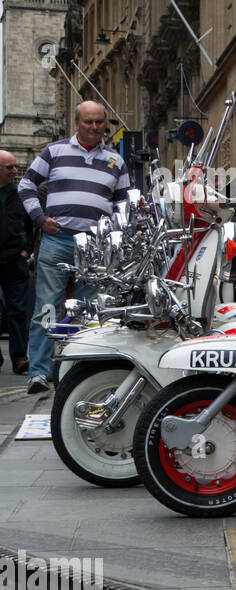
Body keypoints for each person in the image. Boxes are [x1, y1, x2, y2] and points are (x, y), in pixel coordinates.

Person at [20, 101, 131, 394]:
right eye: (88, 122)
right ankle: (39, 372)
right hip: (58, 240)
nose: (94, 127)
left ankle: (78, 370)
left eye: (99, 122)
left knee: (90, 311)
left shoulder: (116, 161)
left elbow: (123, 204)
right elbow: (26, 185)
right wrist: (39, 219)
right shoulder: (54, 152)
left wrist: (116, 234)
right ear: (77, 123)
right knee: (46, 306)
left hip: (96, 246)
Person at [0, 150, 35, 373]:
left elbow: (31, 226)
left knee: (18, 311)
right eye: (9, 167)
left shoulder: (20, 194)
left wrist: (26, 251)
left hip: (15, 261)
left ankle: (20, 358)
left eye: (15, 166)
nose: (15, 171)